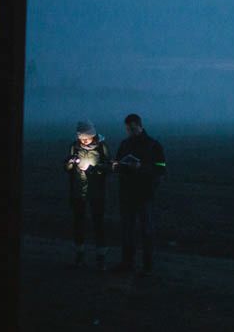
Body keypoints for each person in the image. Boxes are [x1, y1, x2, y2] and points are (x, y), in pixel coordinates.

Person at [111, 113, 166, 277]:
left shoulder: (153, 145)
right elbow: (118, 163)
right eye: (128, 129)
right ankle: (127, 263)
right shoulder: (125, 144)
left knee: (146, 230)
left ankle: (147, 266)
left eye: (133, 129)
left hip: (144, 194)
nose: (130, 132)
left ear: (140, 126)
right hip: (127, 194)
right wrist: (116, 166)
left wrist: (141, 167)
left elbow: (161, 168)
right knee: (127, 229)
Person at [63, 120, 112, 269]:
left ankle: (100, 256)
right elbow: (67, 168)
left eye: (87, 138)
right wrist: (70, 163)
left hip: (96, 192)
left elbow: (109, 166)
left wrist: (96, 169)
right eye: (81, 138)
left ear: (93, 135)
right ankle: (80, 255)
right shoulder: (74, 146)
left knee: (98, 224)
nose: (84, 141)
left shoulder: (102, 146)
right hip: (78, 191)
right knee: (79, 223)